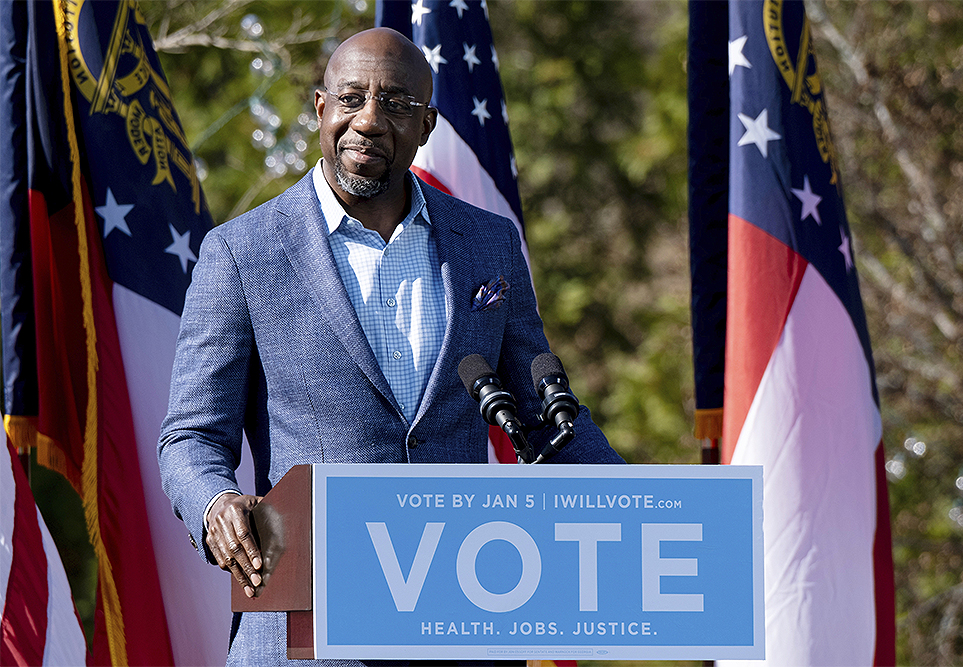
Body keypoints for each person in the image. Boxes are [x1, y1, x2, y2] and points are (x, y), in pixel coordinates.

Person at [158, 27, 623, 666]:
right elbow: (190, 436)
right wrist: (214, 502)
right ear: (320, 110)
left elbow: (547, 416)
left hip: (459, 631)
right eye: (352, 98)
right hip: (305, 631)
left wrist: (639, 506)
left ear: (427, 124)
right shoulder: (242, 252)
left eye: (397, 104)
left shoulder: (487, 244)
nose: (370, 121)